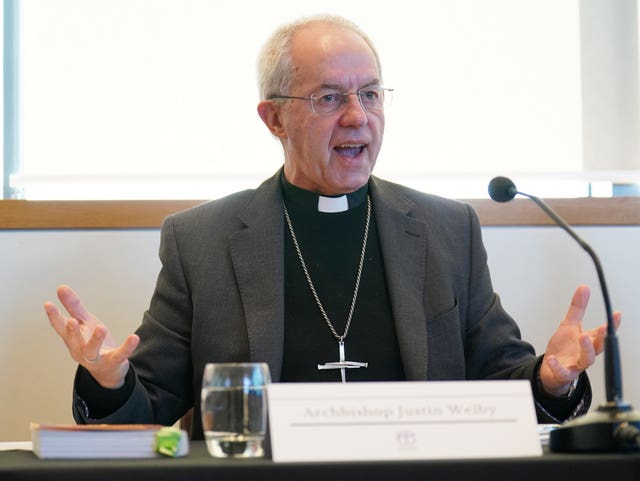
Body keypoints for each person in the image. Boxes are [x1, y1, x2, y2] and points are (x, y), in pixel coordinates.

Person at [45, 14, 619, 440]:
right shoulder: (203, 240)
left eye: (370, 94)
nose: (357, 115)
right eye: (329, 97)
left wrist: (551, 379)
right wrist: (108, 379)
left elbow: (502, 379)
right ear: (273, 118)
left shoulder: (448, 230)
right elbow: (149, 405)